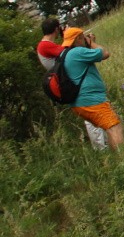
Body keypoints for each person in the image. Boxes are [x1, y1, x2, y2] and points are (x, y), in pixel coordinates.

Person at [37, 20, 108, 150]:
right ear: (56, 29)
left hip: (70, 81)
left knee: (93, 114)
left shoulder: (46, 45)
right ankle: (101, 148)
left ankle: (104, 145)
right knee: (91, 115)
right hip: (71, 83)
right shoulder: (45, 45)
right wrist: (71, 37)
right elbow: (68, 54)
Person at [60, 27, 124, 151]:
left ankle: (117, 160)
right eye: (82, 37)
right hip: (91, 100)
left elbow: (86, 60)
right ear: (78, 38)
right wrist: (91, 43)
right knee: (114, 127)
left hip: (80, 102)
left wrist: (87, 46)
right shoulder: (78, 52)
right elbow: (105, 53)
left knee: (110, 128)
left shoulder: (66, 54)